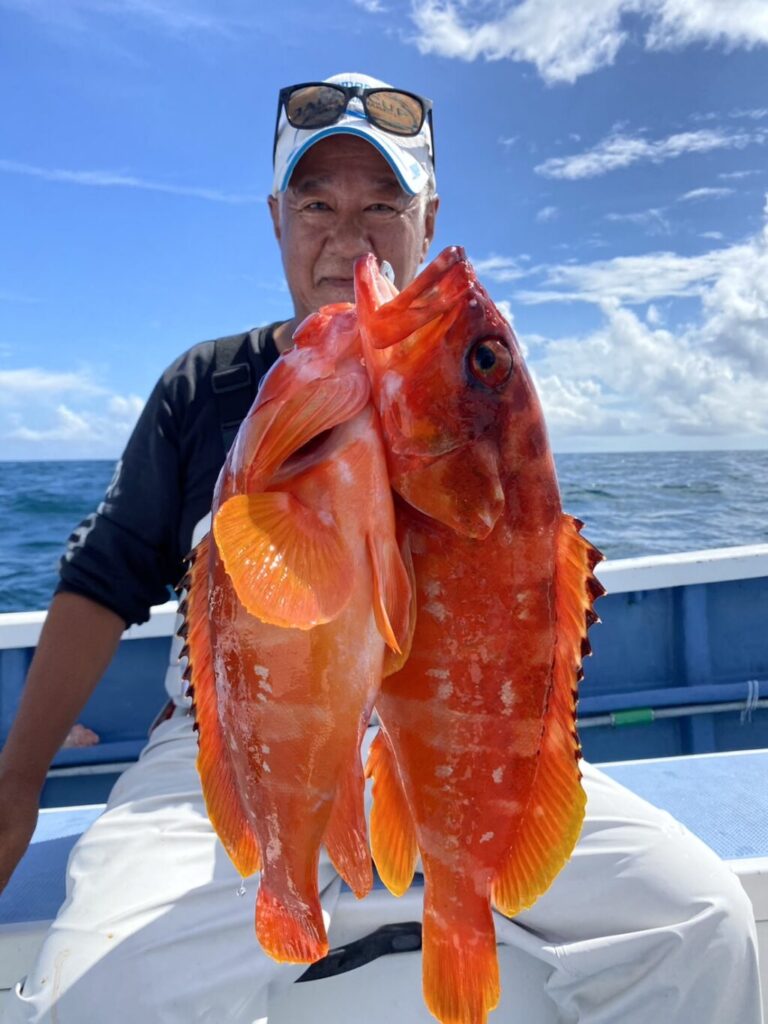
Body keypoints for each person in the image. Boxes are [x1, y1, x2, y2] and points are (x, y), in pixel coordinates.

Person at [0, 72, 762, 1024]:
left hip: (440, 760)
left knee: (704, 923)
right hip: (241, 752)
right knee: (95, 996)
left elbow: (517, 597)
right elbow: (101, 580)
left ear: (427, 219)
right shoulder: (205, 388)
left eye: (383, 206)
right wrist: (19, 777)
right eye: (317, 204)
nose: (347, 235)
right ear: (276, 219)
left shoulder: (466, 394)